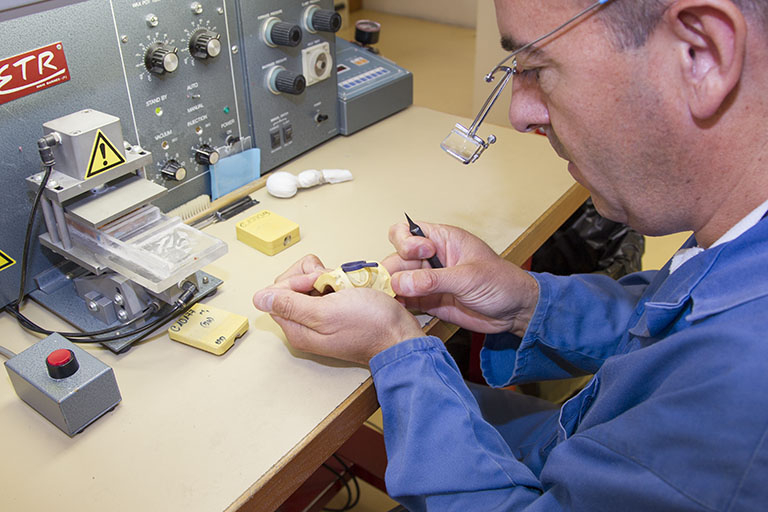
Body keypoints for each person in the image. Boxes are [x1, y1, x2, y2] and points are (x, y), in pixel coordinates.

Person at [253, 0, 768, 509]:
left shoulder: (740, 393)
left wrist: (396, 349)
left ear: (703, 52)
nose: (519, 116)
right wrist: (523, 301)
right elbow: (669, 318)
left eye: (538, 70)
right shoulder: (741, 236)